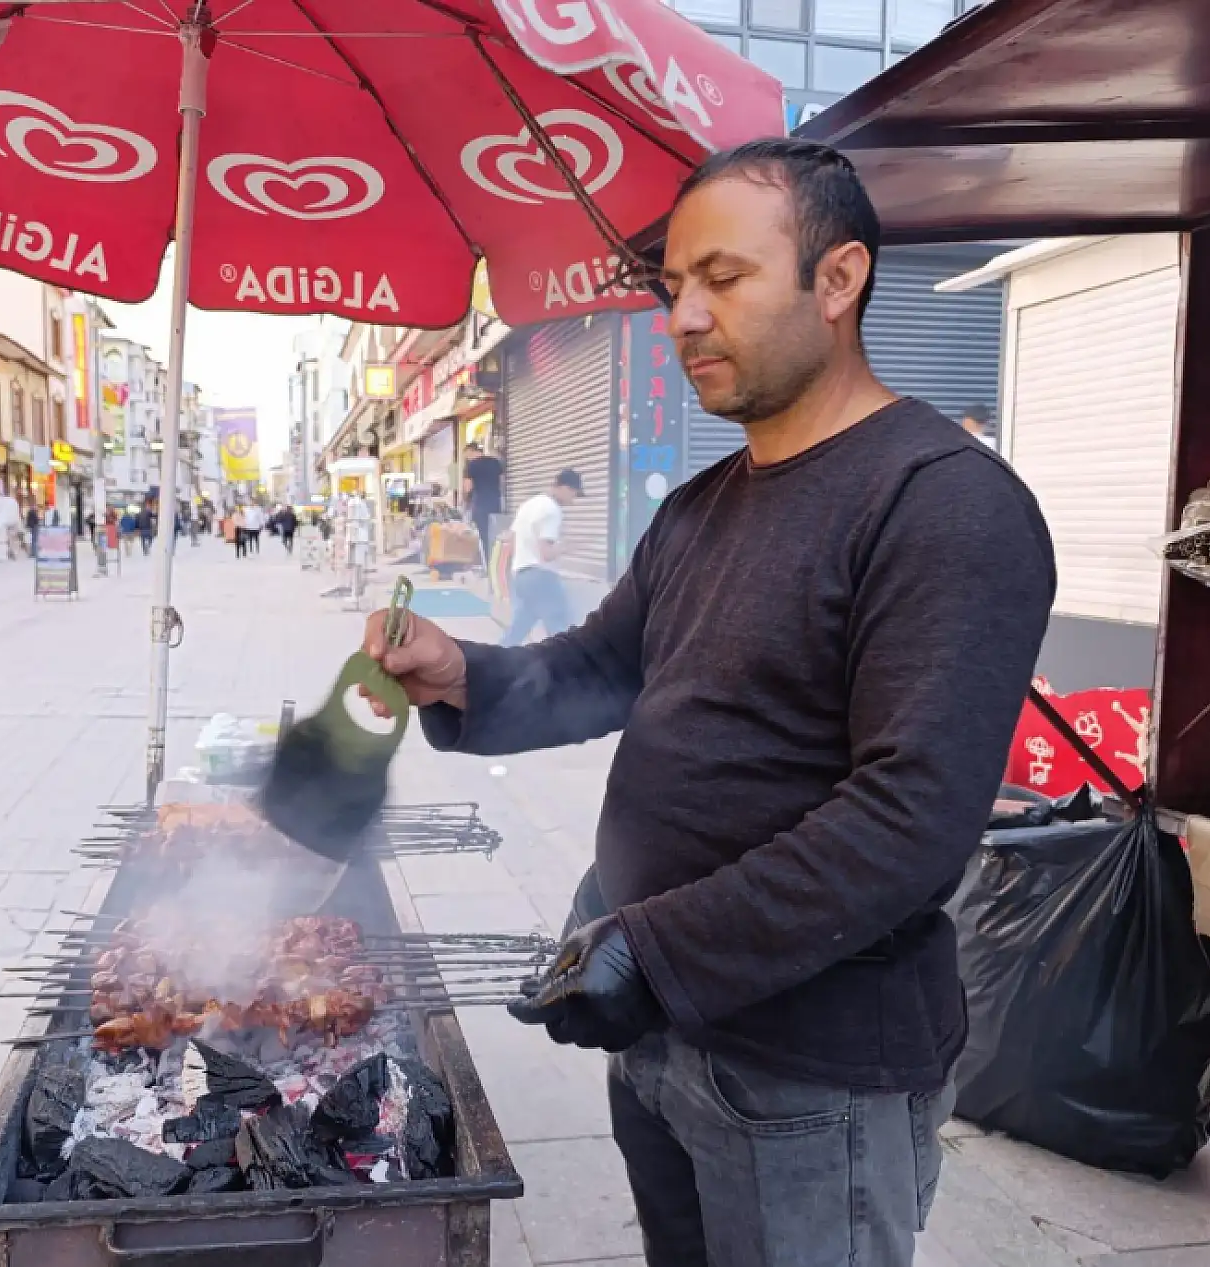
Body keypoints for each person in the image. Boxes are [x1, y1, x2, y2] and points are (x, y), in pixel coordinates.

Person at [357, 139, 1055, 1267]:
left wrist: (655, 951)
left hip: (807, 1072)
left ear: (838, 280)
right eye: (671, 285)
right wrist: (463, 673)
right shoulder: (698, 507)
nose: (682, 315)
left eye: (722, 280)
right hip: (660, 1035)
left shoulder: (941, 507)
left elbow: (909, 822)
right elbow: (599, 668)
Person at [501, 470, 582, 647]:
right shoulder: (552, 510)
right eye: (574, 493)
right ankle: (567, 671)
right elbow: (546, 553)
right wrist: (565, 547)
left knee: (519, 628)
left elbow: (511, 540)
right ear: (565, 488)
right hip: (541, 577)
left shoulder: (529, 504)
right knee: (561, 628)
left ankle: (493, 662)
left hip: (521, 575)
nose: (573, 500)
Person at [462, 441, 504, 567]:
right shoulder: (495, 462)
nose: (467, 458)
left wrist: (466, 500)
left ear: (471, 451)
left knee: (483, 537)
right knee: (496, 535)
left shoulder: (472, 465)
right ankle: (498, 564)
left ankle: (488, 565)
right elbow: (502, 483)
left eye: (466, 455)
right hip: (495, 503)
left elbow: (468, 488)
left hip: (480, 505)